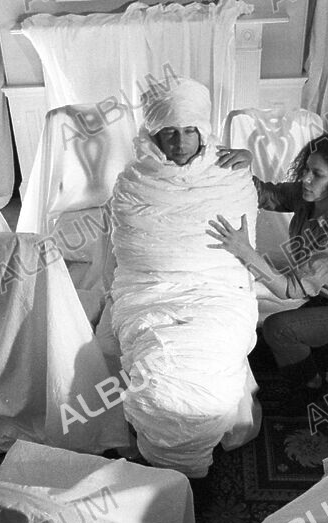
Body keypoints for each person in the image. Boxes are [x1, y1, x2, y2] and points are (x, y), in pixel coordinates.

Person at [102, 77, 261, 478]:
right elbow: (133, 253)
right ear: (152, 134)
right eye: (169, 132)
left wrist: (247, 158)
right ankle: (173, 468)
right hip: (150, 291)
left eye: (189, 131)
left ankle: (176, 467)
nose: (179, 142)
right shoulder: (133, 183)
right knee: (155, 372)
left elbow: (240, 259)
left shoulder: (231, 175)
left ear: (203, 132)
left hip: (218, 290)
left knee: (213, 361)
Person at [208, 134, 328, 391]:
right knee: (258, 348)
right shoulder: (309, 195)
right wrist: (246, 162)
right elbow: (267, 195)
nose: (306, 179)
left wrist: (245, 252)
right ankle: (316, 367)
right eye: (306, 169)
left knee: (278, 329)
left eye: (317, 174)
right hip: (324, 300)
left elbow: (291, 290)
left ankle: (313, 393)